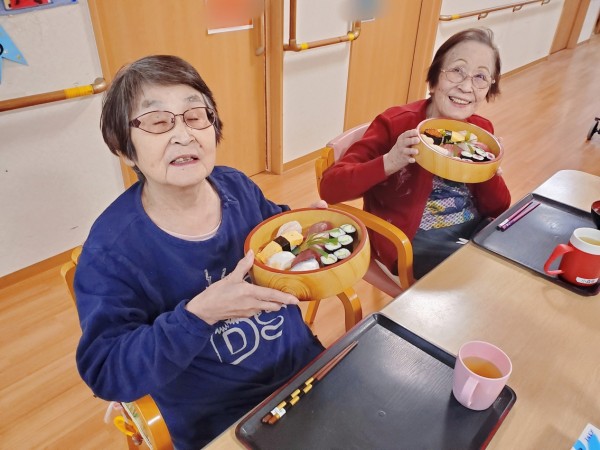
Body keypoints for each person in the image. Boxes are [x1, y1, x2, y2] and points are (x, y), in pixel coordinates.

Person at [74, 55, 324, 449]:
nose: (184, 135)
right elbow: (106, 370)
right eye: (158, 122)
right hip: (223, 419)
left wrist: (304, 235)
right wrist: (198, 315)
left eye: (195, 116)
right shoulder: (112, 251)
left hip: (305, 370)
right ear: (124, 149)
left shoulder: (238, 187)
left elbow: (276, 233)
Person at [319, 28, 511, 280]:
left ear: (489, 88)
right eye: (457, 70)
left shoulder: (480, 131)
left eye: (480, 77)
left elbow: (499, 208)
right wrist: (390, 161)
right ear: (434, 79)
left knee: (513, 260)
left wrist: (489, 172)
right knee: (478, 278)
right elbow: (330, 189)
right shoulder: (394, 123)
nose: (466, 86)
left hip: (471, 228)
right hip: (411, 241)